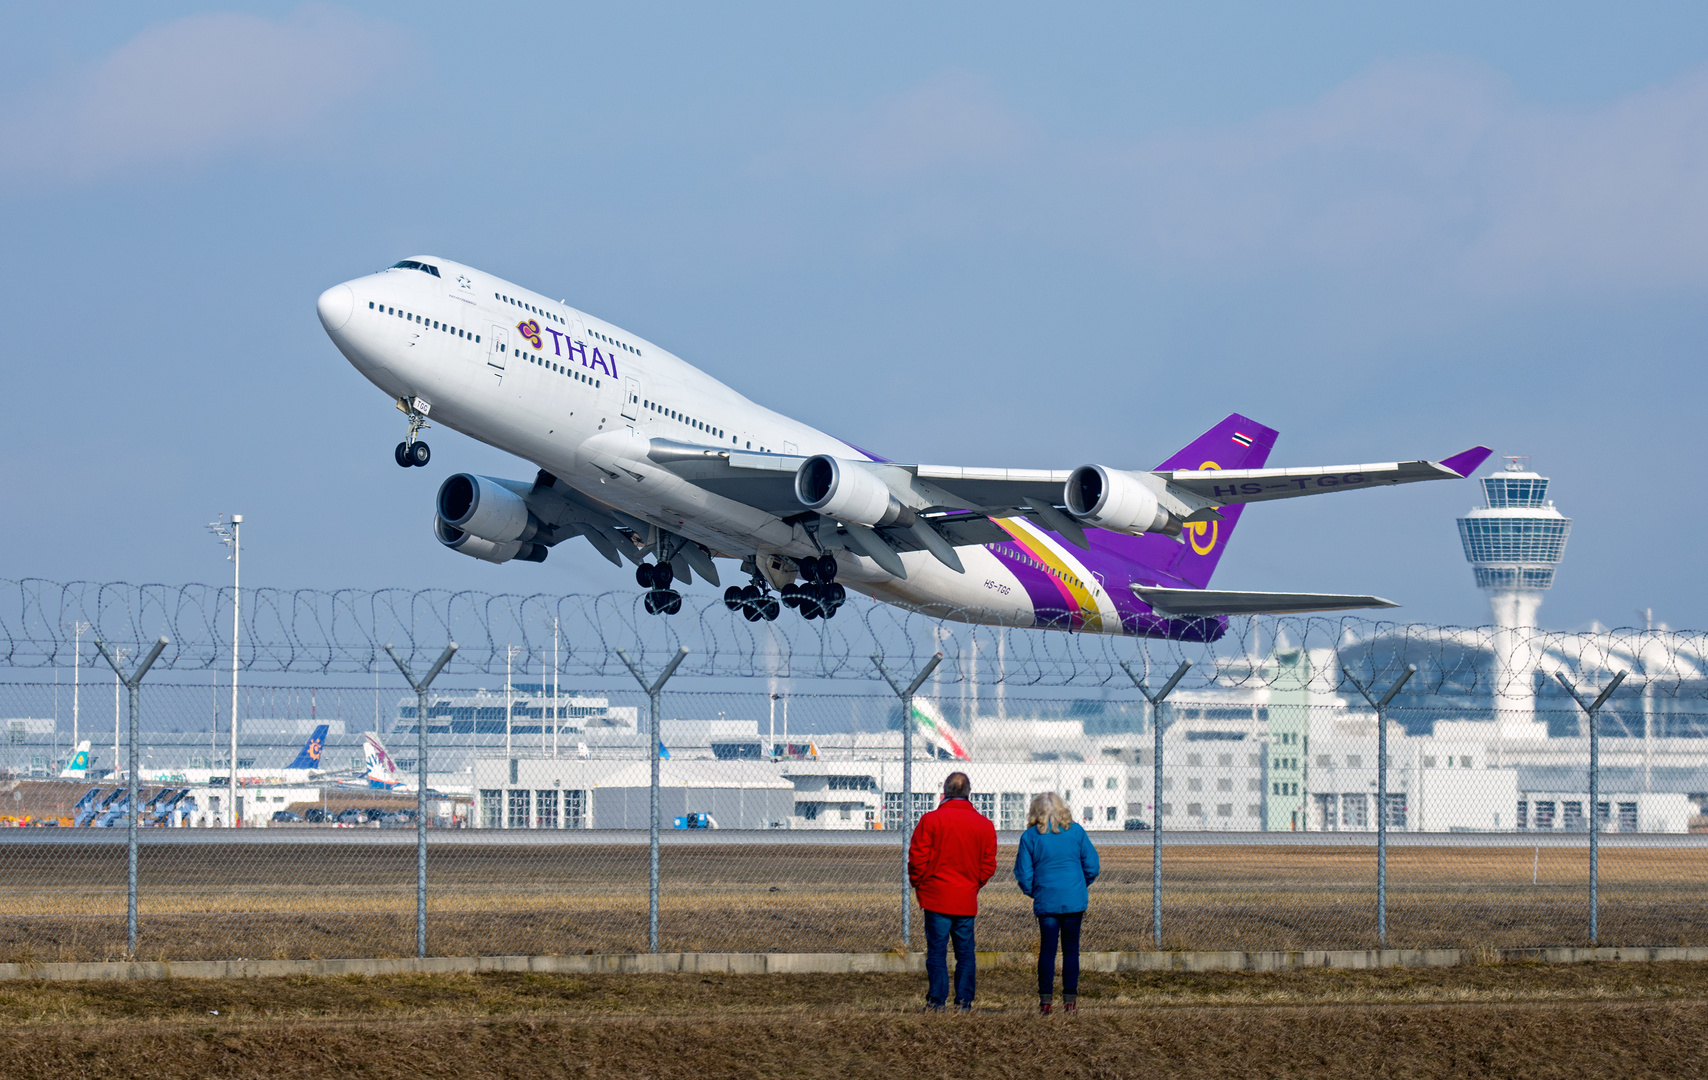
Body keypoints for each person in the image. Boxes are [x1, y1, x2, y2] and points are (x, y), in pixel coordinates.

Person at [907, 771, 998, 1011]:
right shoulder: (984, 825)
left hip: (936, 896)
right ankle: (964, 1001)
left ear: (944, 792)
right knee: (965, 952)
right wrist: (974, 884)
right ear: (969, 793)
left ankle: (937, 1001)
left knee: (937, 951)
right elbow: (988, 864)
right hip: (965, 897)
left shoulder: (930, 820)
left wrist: (920, 883)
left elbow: (917, 859)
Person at [1014, 791, 1100, 1015]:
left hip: (1046, 899)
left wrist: (1036, 892)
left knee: (1047, 950)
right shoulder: (1077, 832)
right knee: (1071, 950)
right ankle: (1070, 1001)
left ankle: (1045, 1001)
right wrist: (1079, 884)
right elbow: (1092, 866)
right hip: (1073, 900)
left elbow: (1023, 874)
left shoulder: (1030, 836)